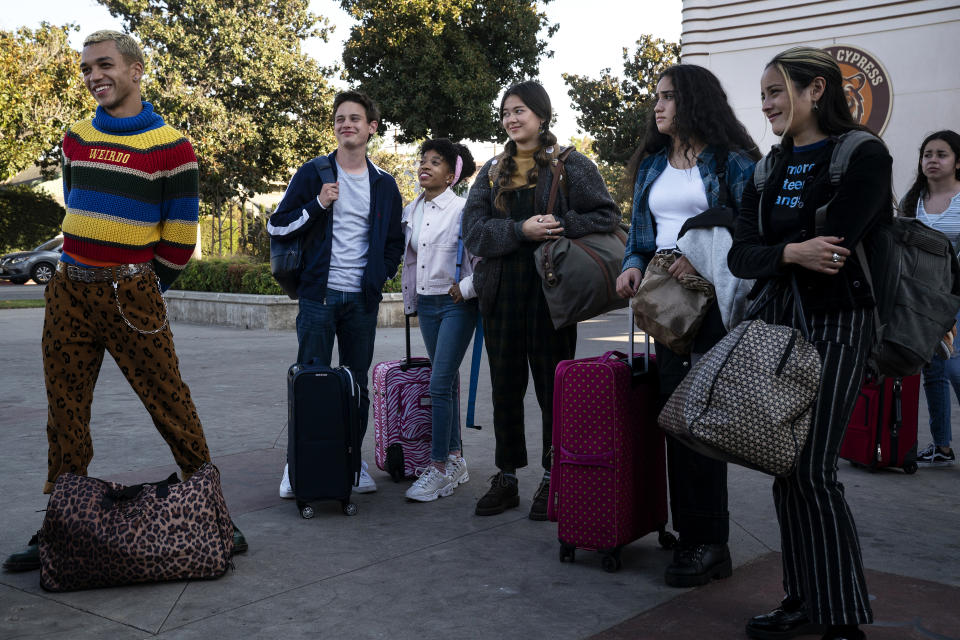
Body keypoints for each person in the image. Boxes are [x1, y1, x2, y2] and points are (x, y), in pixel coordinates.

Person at [2, 30, 246, 572]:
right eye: (87, 69)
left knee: (170, 402)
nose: (94, 77)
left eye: (104, 65)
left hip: (130, 293)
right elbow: (80, 210)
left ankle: (216, 518)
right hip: (68, 290)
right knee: (65, 411)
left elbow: (180, 236)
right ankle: (63, 525)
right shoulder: (76, 139)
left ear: (136, 70)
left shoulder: (173, 148)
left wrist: (143, 286)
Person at [728, 46, 893, 640]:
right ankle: (803, 597)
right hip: (779, 322)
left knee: (813, 468)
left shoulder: (864, 154)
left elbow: (839, 240)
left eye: (777, 91)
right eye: (764, 92)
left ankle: (841, 617)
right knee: (785, 466)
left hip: (842, 319)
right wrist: (793, 252)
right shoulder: (766, 169)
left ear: (816, 89)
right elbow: (740, 254)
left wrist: (785, 251)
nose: (767, 103)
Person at [614, 64, 760, 588]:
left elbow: (751, 230)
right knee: (676, 418)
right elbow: (639, 234)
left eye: (669, 97)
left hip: (712, 304)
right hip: (665, 304)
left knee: (700, 421)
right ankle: (690, 531)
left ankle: (710, 543)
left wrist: (701, 257)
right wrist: (632, 265)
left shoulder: (733, 162)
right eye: (656, 97)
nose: (658, 106)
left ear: (694, 102)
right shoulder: (654, 164)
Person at [462, 80, 620, 520]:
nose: (512, 119)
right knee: (505, 387)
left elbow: (606, 215)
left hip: (552, 294)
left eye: (521, 111)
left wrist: (556, 224)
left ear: (542, 116)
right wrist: (518, 231)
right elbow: (472, 232)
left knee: (555, 388)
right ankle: (507, 476)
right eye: (507, 112)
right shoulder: (491, 171)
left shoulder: (570, 164)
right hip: (500, 293)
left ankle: (556, 476)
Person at [269, 91, 404, 497]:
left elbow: (394, 241)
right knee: (308, 381)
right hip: (318, 297)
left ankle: (351, 461)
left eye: (356, 118)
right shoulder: (314, 173)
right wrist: (318, 205)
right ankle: (298, 466)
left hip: (361, 301)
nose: (347, 124)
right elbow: (278, 225)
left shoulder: (384, 184)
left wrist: (377, 279)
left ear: (371, 127)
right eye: (340, 118)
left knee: (356, 385)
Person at [400, 139, 478, 502]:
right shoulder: (411, 210)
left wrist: (467, 288)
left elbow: (483, 260)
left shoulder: (464, 209)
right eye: (422, 161)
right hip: (427, 305)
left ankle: (439, 467)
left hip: (456, 304)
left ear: (452, 174)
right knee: (444, 382)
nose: (424, 166)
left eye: (435, 162)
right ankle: (457, 459)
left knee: (439, 382)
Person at [900, 130, 960, 468]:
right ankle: (942, 446)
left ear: (957, 162)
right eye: (927, 154)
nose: (933, 160)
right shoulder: (913, 201)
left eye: (941, 154)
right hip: (922, 299)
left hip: (957, 296)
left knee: (954, 367)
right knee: (933, 371)